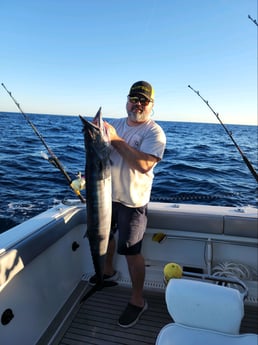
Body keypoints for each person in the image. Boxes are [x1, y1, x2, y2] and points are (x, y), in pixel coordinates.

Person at [90, 81, 166, 328]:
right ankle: (108, 271)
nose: (138, 104)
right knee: (105, 237)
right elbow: (99, 155)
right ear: (127, 100)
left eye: (144, 100)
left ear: (152, 105)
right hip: (106, 196)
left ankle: (137, 300)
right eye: (134, 98)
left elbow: (144, 165)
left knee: (131, 251)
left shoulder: (154, 132)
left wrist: (114, 138)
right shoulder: (114, 125)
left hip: (133, 202)